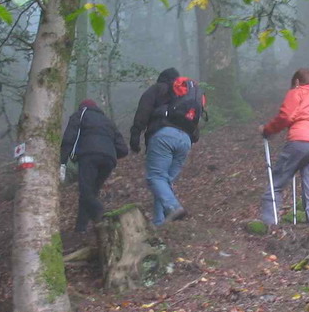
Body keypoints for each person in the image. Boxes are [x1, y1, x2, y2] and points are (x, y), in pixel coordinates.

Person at [129, 68, 203, 225]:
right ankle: (160, 222)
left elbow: (143, 111)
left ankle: (173, 207)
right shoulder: (185, 94)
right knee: (164, 183)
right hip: (185, 140)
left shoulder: (157, 89)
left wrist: (135, 135)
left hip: (164, 136)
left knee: (155, 177)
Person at [259, 68, 309, 225]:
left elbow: (285, 116)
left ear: (297, 82)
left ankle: (268, 225)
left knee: (276, 184)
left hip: (301, 142)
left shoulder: (297, 91)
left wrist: (268, 130)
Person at [59, 99, 129, 233]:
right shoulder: (107, 121)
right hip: (109, 161)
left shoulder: (80, 115)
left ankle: (101, 214)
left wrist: (62, 162)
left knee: (86, 192)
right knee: (90, 193)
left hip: (89, 156)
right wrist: (109, 153)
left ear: (82, 107)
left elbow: (69, 138)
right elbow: (123, 149)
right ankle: (80, 228)